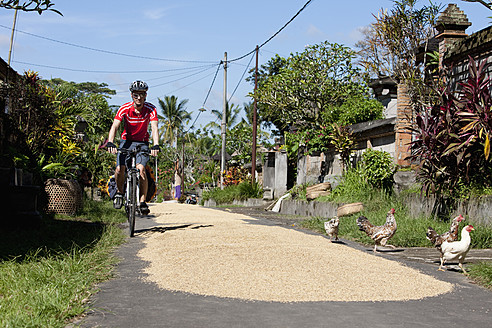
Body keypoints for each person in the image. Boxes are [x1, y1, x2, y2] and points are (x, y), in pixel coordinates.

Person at [106, 80, 160, 214]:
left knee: (141, 170)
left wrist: (156, 145)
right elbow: (115, 126)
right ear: (131, 95)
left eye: (142, 94)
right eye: (136, 95)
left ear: (146, 95)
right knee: (119, 169)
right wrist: (110, 142)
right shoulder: (124, 108)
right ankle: (119, 193)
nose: (139, 98)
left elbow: (154, 127)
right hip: (126, 142)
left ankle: (142, 202)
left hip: (142, 143)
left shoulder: (151, 109)